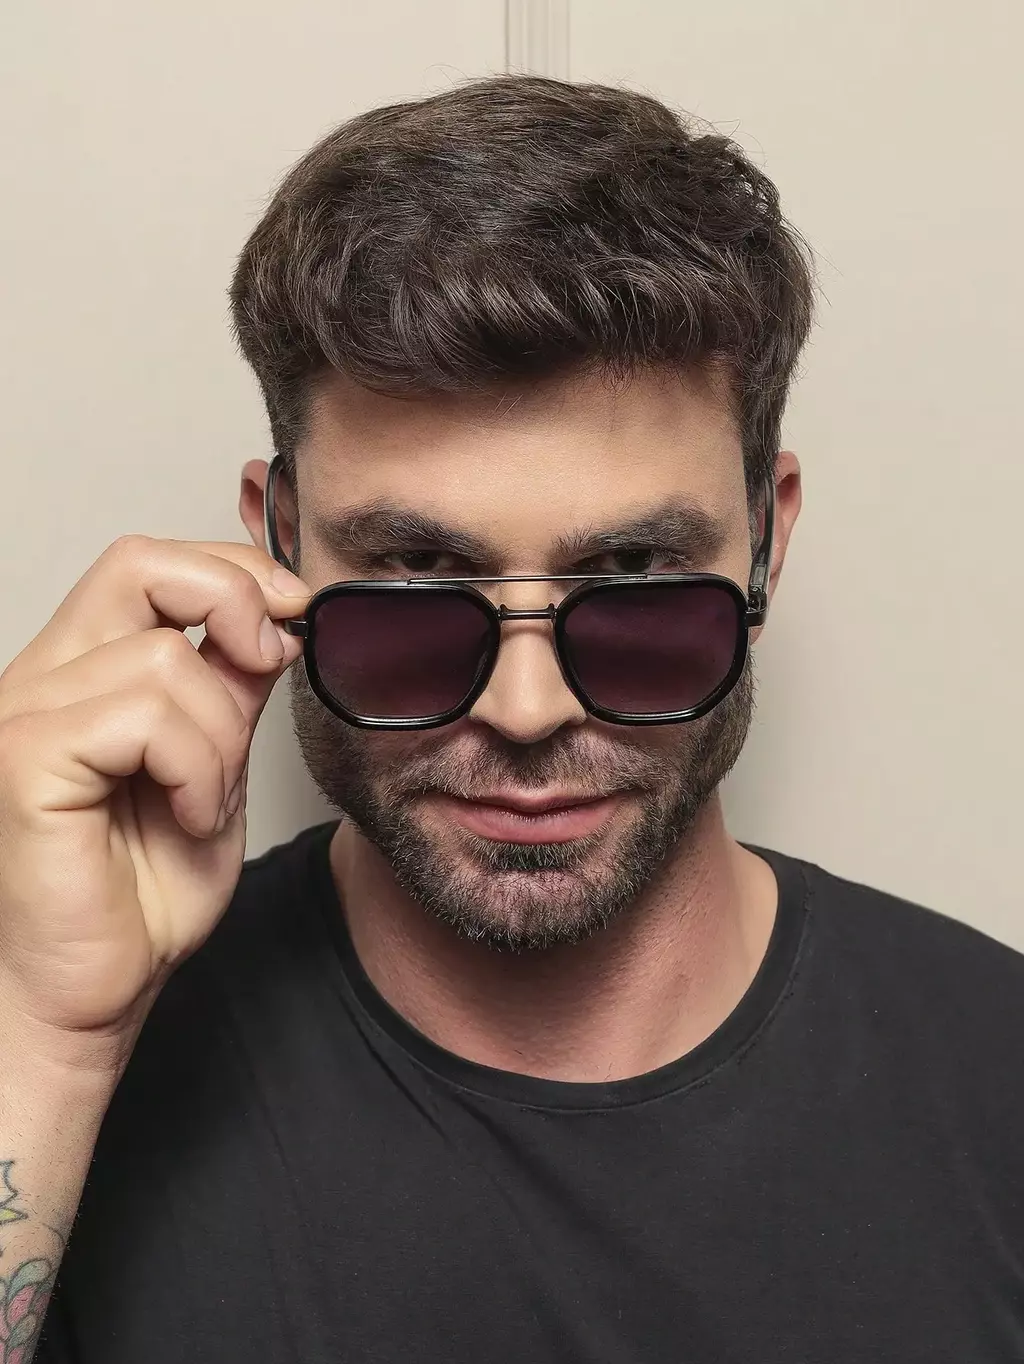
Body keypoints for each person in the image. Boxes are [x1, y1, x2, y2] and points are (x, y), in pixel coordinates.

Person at [0, 72, 1021, 1364]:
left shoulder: (997, 1079)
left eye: (635, 575)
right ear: (278, 540)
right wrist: (41, 1033)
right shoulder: (62, 1060)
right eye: (420, 576)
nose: (526, 708)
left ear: (768, 542)